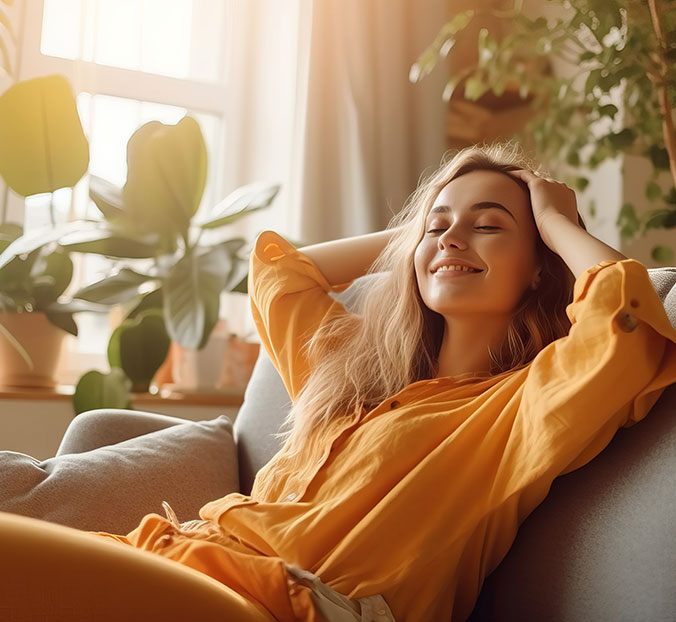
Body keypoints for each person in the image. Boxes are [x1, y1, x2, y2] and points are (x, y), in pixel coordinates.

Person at [2, 141, 676, 622]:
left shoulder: (517, 409)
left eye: (489, 225)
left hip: (299, 607)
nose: (451, 239)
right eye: (437, 228)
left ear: (537, 268)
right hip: (197, 569)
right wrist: (415, 231)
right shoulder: (353, 374)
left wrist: (556, 219)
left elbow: (627, 324)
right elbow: (279, 272)